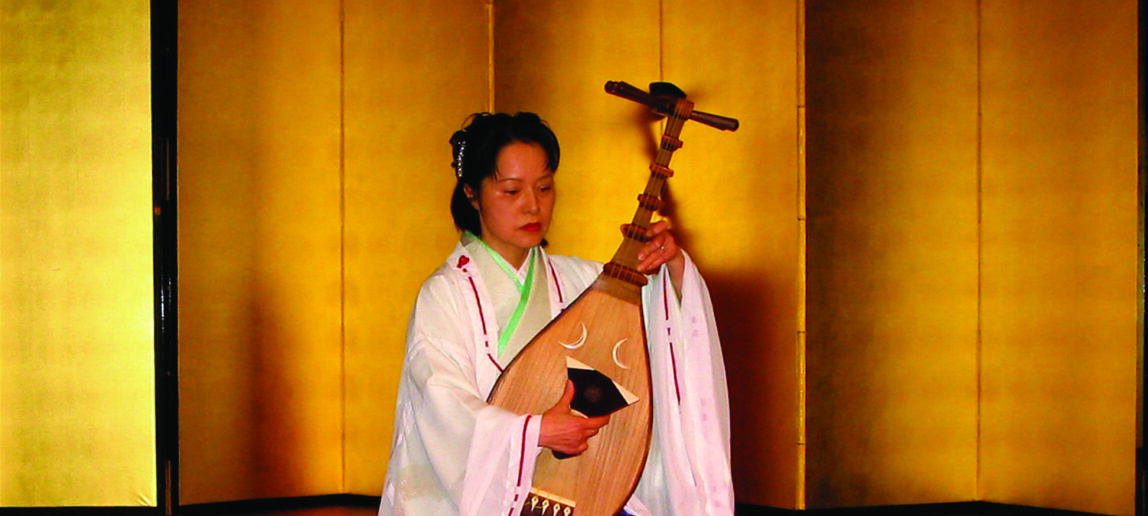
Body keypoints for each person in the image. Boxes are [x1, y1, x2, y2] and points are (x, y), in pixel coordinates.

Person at [378, 112, 733, 516]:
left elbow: (658, 334)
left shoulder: (582, 280)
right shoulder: (445, 295)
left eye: (544, 188)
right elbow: (441, 405)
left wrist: (669, 267)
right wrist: (533, 432)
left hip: (583, 489)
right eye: (512, 191)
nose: (533, 205)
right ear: (472, 193)